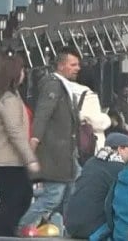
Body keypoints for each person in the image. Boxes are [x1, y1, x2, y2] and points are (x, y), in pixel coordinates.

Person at [21, 47, 83, 232]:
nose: (77, 68)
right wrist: (34, 140)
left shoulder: (61, 85)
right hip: (55, 155)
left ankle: (66, 227)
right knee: (53, 196)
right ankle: (22, 228)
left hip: (66, 155)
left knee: (75, 190)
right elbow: (43, 114)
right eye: (73, 64)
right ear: (61, 65)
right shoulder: (53, 85)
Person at [0, 51, 41, 236]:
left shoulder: (8, 95)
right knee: (16, 199)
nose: (24, 73)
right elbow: (15, 132)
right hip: (7, 161)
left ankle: (4, 234)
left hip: (5, 159)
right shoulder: (8, 99)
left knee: (17, 198)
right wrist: (30, 159)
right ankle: (2, 235)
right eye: (22, 69)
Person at [63, 133, 128, 239]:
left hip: (72, 225)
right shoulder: (118, 169)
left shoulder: (91, 162)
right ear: (120, 149)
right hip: (93, 228)